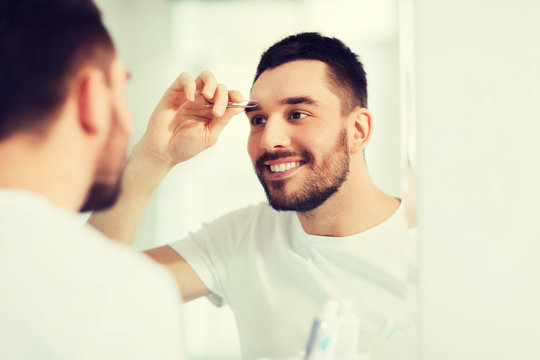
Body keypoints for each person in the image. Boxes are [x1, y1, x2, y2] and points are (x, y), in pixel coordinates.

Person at [90, 33, 417, 360]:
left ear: (358, 130)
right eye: (258, 119)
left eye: (297, 114)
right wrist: (153, 156)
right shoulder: (242, 239)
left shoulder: (431, 256)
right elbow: (90, 291)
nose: (269, 140)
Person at [0, 0, 245, 358]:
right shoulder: (130, 296)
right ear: (92, 97)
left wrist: (155, 157)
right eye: (121, 87)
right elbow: (85, 288)